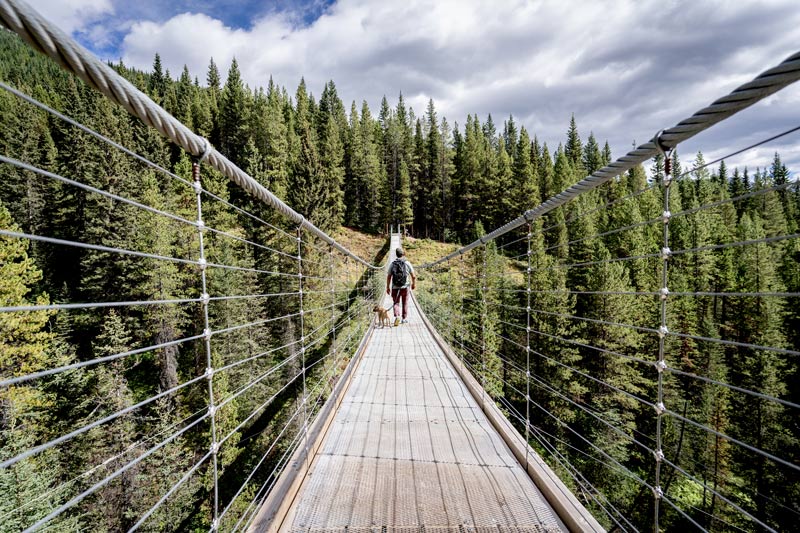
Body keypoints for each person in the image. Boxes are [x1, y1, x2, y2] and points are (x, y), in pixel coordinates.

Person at [386, 247, 416, 326]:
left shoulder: (392, 264)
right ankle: (404, 318)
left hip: (395, 287)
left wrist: (387, 287)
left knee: (396, 302)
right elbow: (413, 276)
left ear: (396, 255)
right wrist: (413, 284)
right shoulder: (407, 263)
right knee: (405, 302)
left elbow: (389, 276)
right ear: (403, 254)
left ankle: (397, 316)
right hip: (405, 287)